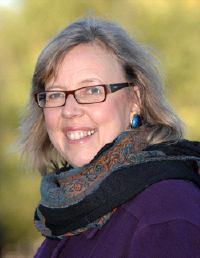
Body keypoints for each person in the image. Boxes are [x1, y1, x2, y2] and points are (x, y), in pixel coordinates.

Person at [20, 18, 200, 257]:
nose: (69, 110)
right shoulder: (65, 212)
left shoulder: (164, 209)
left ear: (135, 99)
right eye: (55, 94)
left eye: (92, 90)